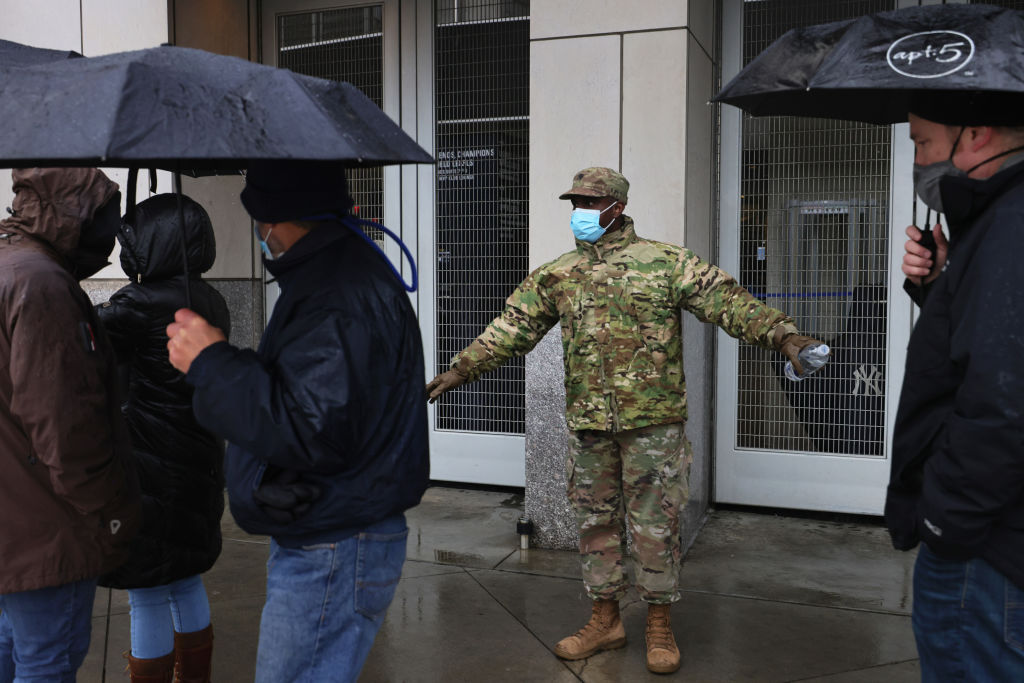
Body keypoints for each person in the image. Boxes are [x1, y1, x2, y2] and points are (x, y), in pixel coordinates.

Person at [425, 167, 824, 675]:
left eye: (589, 204)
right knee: (594, 522)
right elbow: (512, 327)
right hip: (590, 423)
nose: (579, 214)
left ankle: (659, 622)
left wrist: (784, 337)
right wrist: (461, 369)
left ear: (615, 207)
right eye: (574, 204)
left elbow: (728, 303)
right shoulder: (558, 273)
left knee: (657, 525)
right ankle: (605, 619)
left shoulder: (664, 262)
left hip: (653, 423)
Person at [165, 160, 429, 683]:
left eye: (260, 221)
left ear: (276, 220)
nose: (261, 237)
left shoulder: (337, 294)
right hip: (331, 532)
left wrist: (212, 361)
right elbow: (313, 392)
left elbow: (309, 427)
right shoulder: (335, 274)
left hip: (333, 544)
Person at [887, 93, 1024, 681]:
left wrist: (944, 522)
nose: (917, 161)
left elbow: (1002, 401)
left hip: (986, 556)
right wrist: (943, 283)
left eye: (922, 142)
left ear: (978, 133)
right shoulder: (995, 224)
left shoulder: (1012, 228)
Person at [0, 167, 141, 682]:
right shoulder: (41, 284)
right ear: (72, 215)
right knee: (47, 659)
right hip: (46, 523)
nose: (111, 236)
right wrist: (108, 509)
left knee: (13, 647)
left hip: (15, 516)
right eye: (105, 218)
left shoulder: (10, 266)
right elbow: (65, 425)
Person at [97, 194, 230, 682]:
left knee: (146, 590)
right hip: (196, 459)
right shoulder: (209, 298)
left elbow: (84, 337)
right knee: (184, 578)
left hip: (148, 464)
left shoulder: (138, 304)